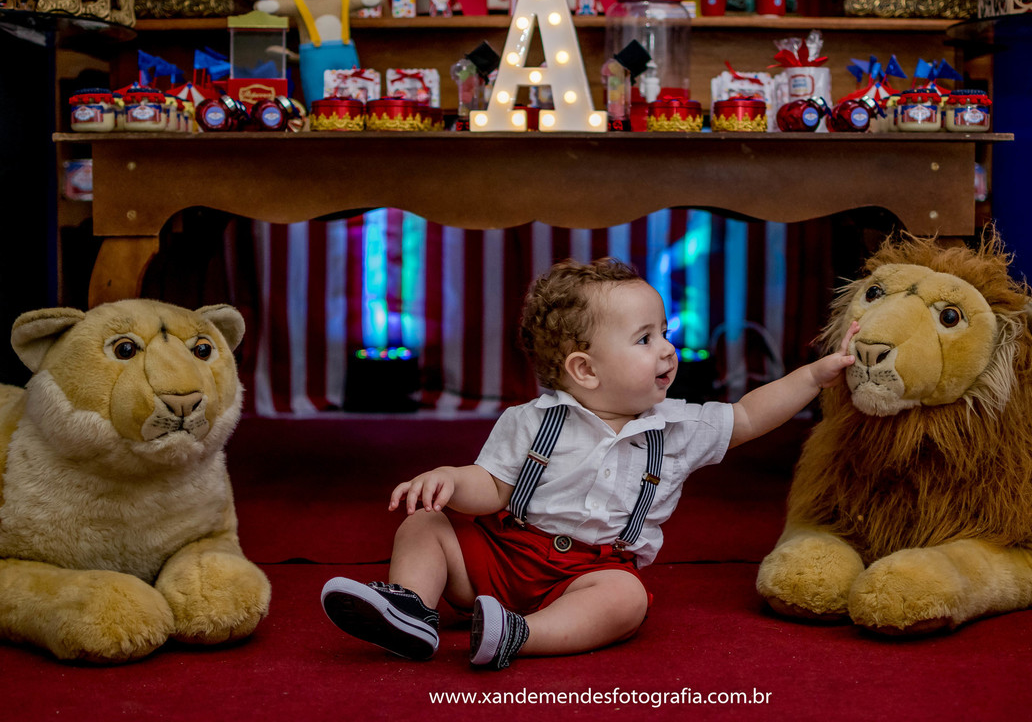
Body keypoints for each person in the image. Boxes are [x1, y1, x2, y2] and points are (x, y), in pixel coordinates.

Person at [321, 257, 858, 669]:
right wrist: (451, 481)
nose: (667, 349)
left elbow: (747, 415)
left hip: (590, 572)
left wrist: (813, 377)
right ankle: (410, 610)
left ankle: (518, 636)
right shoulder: (532, 420)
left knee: (626, 600)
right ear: (585, 370)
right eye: (645, 338)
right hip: (504, 556)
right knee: (424, 525)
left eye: (665, 333)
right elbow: (492, 486)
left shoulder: (676, 426)